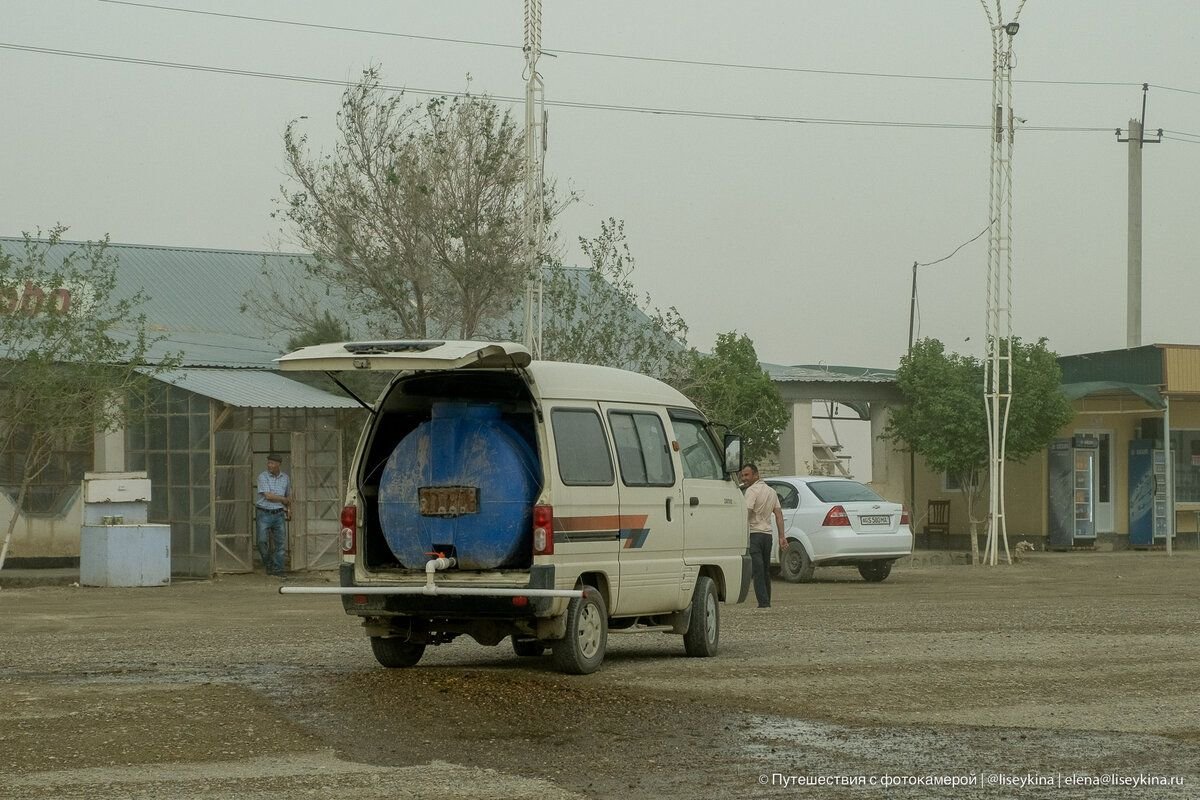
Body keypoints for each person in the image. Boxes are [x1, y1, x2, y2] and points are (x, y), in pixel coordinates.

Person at [740, 463, 787, 610]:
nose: (744, 478)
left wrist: (740, 531)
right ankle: (767, 601)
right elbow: (778, 514)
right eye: (742, 475)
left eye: (747, 475)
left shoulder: (751, 491)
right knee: (765, 570)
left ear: (756, 475)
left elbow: (746, 512)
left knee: (758, 570)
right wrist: (782, 536)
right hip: (768, 536)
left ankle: (763, 603)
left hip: (755, 535)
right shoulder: (771, 491)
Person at [255, 452, 291, 577]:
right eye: (268, 462)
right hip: (264, 512)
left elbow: (288, 496)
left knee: (280, 543)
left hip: (279, 514)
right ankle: (268, 563)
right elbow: (268, 496)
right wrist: (283, 500)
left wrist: (288, 506)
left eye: (272, 463)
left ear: (278, 464)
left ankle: (278, 569)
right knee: (261, 541)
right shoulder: (262, 477)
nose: (269, 465)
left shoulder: (285, 478)